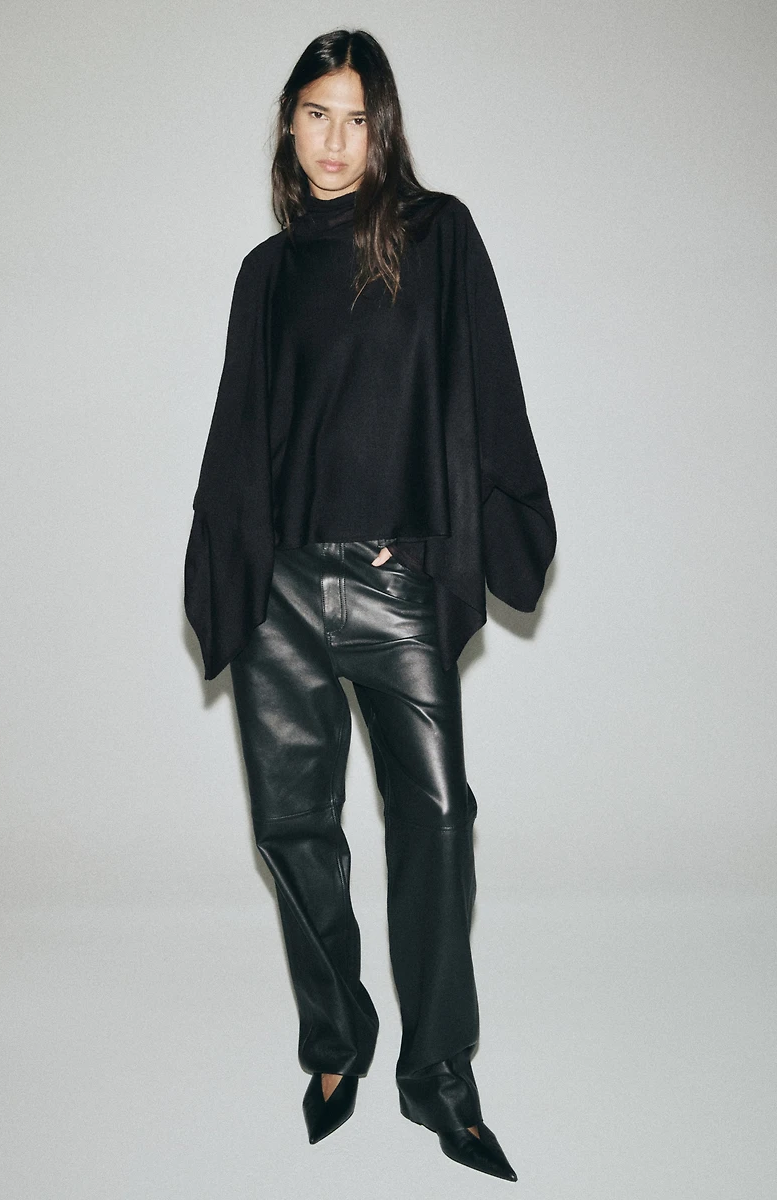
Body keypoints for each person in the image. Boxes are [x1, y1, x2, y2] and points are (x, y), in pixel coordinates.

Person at [184, 28, 556, 1183]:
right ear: (289, 125)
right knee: (293, 835)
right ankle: (336, 1041)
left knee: (434, 822)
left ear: (380, 127)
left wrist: (462, 539)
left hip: (394, 585)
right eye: (315, 114)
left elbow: (486, 388)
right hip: (283, 590)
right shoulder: (264, 273)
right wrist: (229, 573)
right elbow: (239, 432)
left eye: (355, 118)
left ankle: (437, 1077)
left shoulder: (435, 236)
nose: (335, 141)